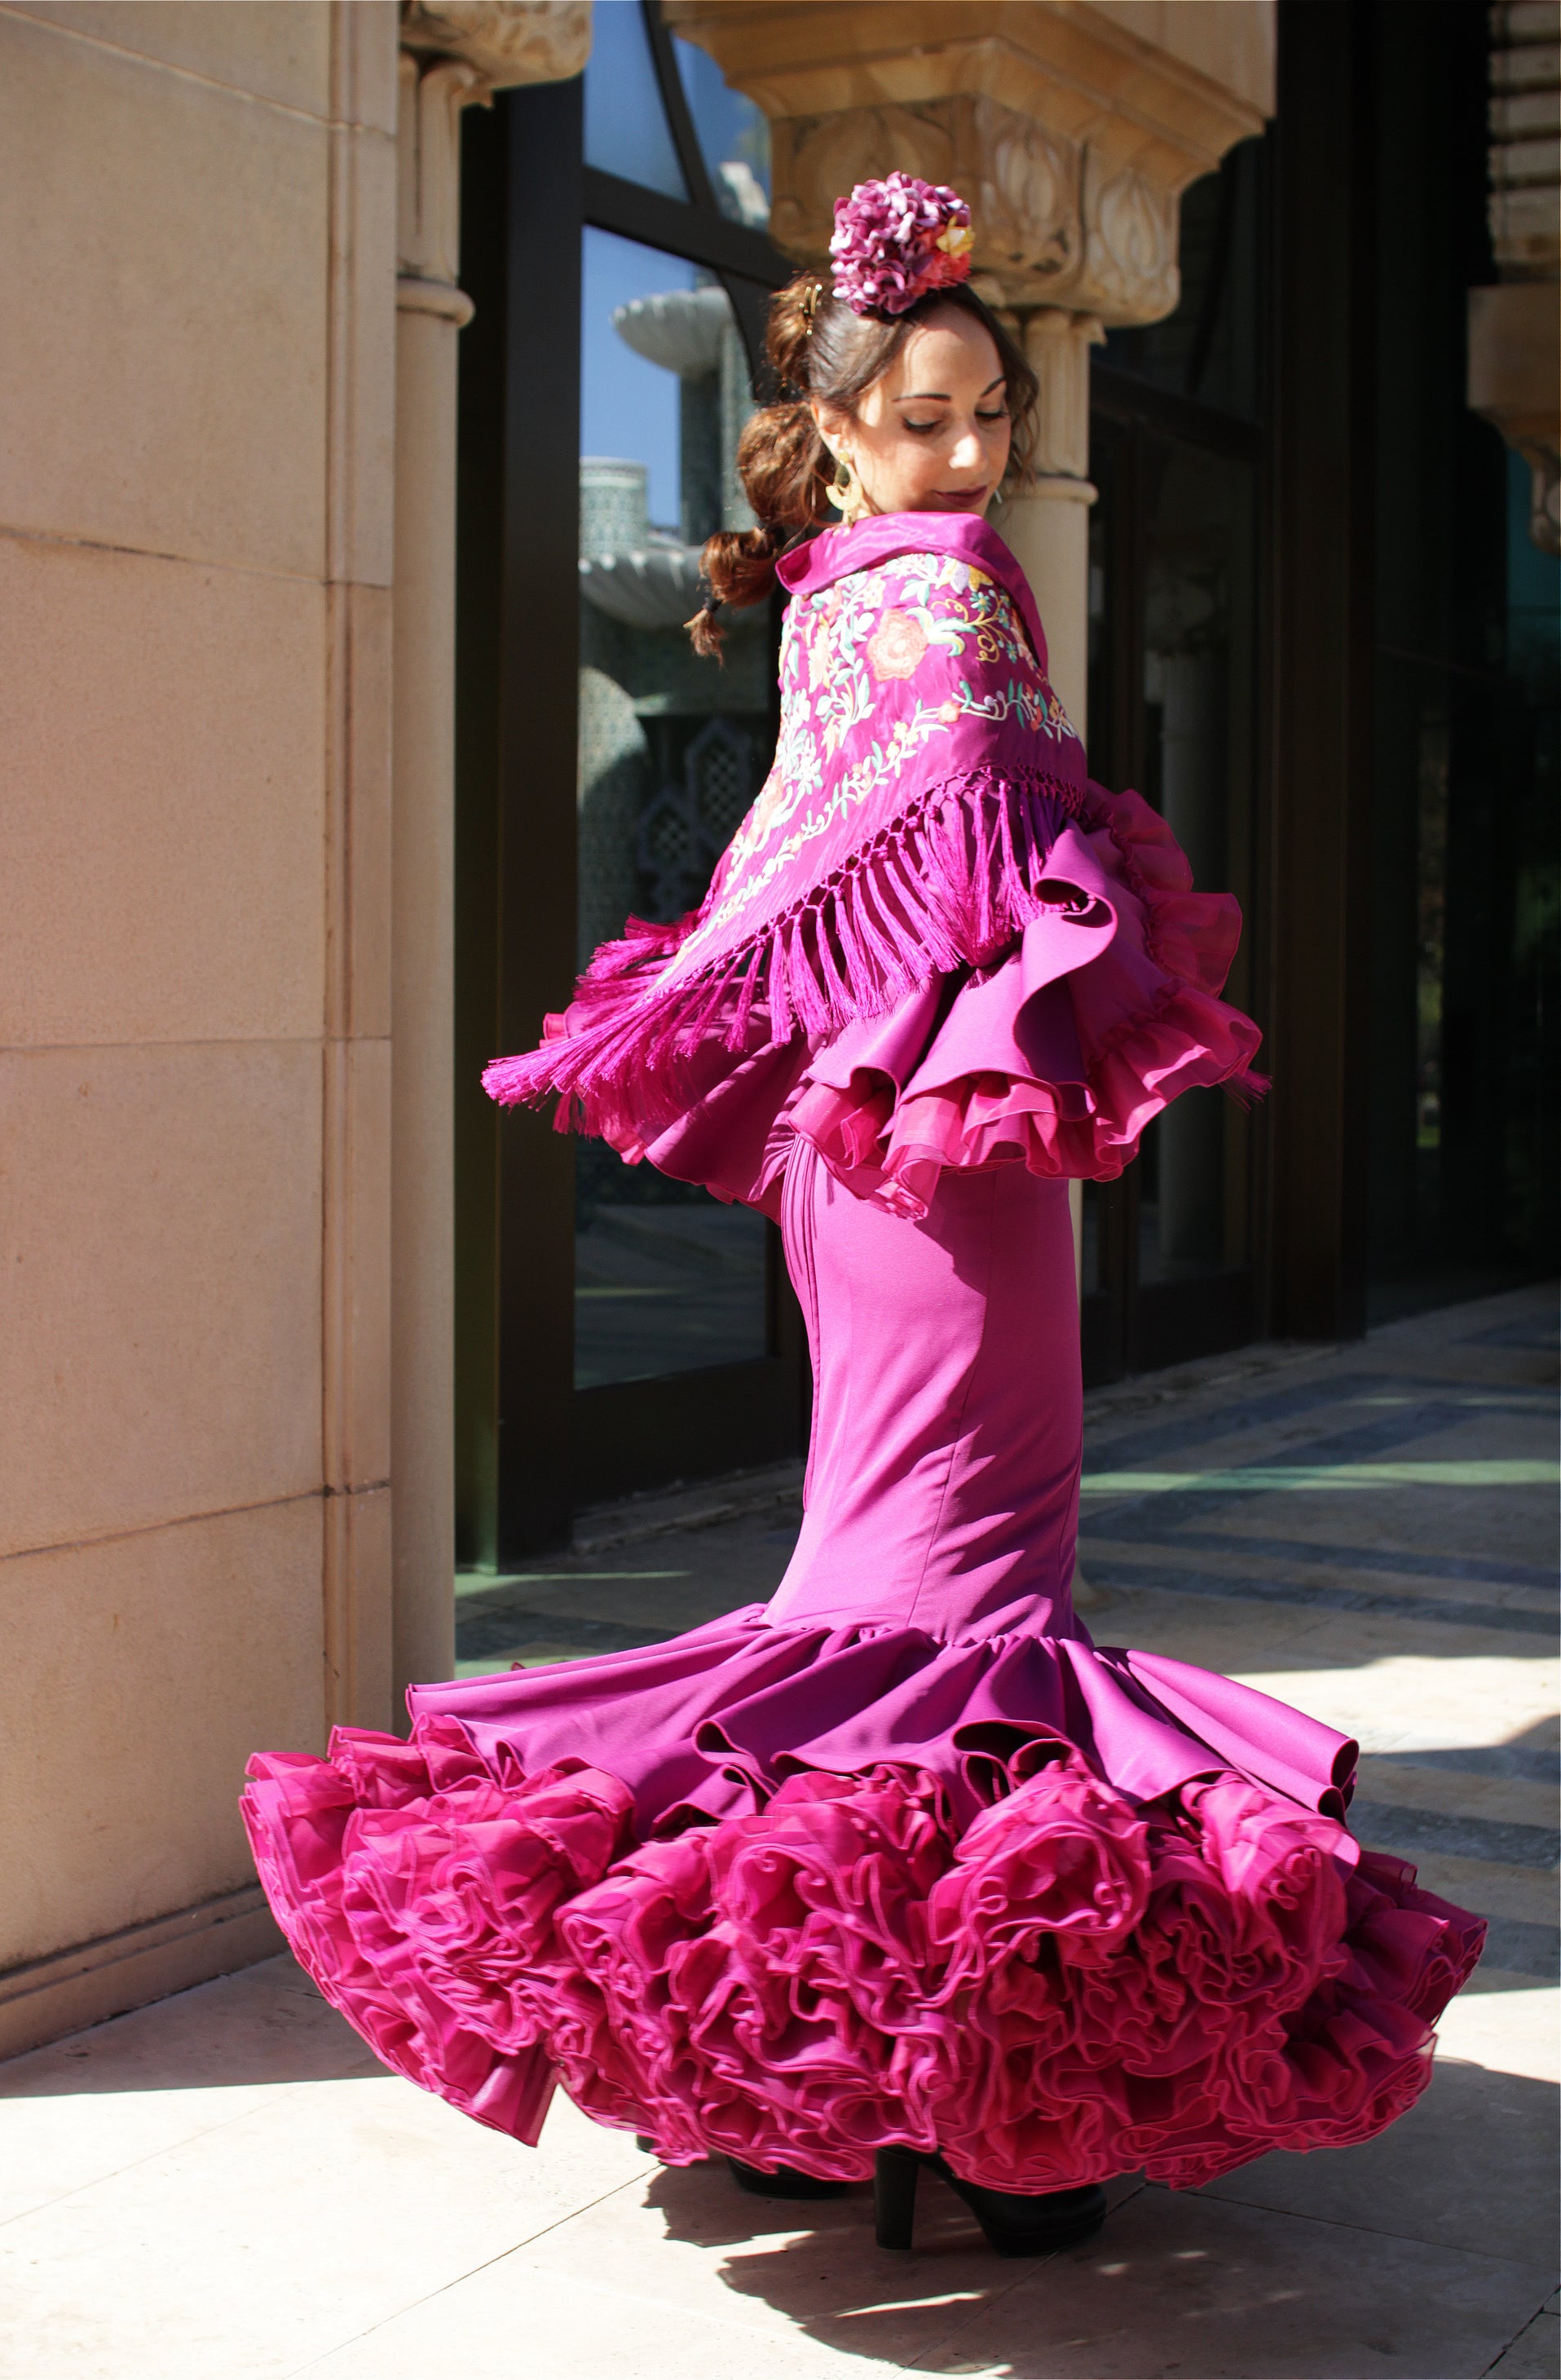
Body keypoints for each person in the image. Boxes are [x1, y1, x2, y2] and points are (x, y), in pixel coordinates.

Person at [243, 175, 1484, 2259]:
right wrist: (1077, 917)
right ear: (833, 433)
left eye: (991, 414)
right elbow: (991, 836)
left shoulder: (825, 601)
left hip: (867, 1138)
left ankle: (840, 2066)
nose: (973, 455)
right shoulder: (939, 585)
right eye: (925, 417)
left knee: (880, 1562)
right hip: (950, 1139)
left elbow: (781, 891)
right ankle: (964, 2079)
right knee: (970, 1581)